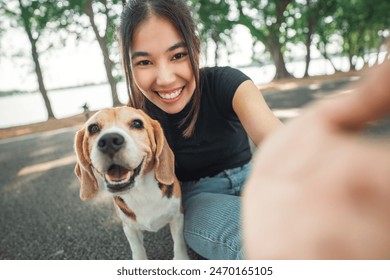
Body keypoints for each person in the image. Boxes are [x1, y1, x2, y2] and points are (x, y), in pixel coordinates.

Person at [118, 0, 281, 259]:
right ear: (127, 64)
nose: (166, 78)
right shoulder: (134, 122)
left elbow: (282, 144)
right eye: (145, 62)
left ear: (195, 47)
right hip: (198, 199)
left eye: (178, 55)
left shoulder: (227, 82)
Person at [242, 60, 390, 259]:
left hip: (248, 175)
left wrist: (291, 161)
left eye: (183, 54)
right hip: (202, 195)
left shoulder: (228, 81)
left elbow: (281, 150)